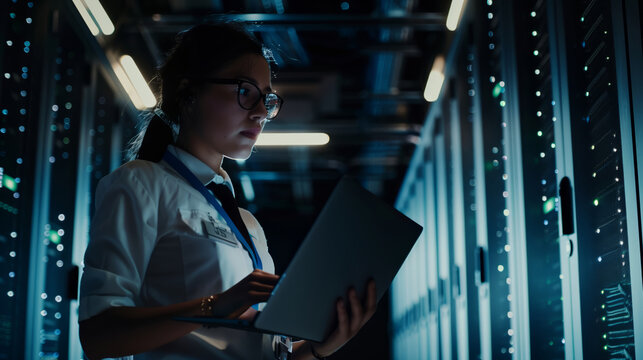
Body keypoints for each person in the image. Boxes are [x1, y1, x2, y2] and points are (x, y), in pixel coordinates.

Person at [78, 22, 377, 359]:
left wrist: (318, 349)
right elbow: (98, 334)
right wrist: (214, 306)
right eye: (246, 91)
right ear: (188, 93)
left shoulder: (249, 225)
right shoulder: (140, 184)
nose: (262, 112)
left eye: (267, 99)